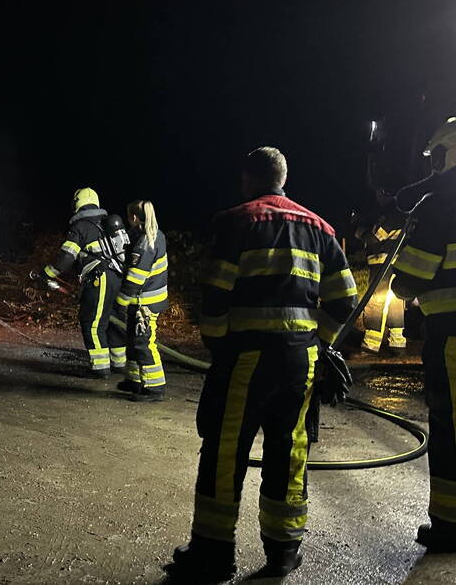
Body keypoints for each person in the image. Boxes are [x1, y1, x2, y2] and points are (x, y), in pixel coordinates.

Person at [171, 147, 357, 580]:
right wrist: (320, 343)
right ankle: (283, 552)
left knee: (224, 450)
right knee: (289, 450)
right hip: (300, 361)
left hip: (246, 358)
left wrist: (217, 345)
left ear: (248, 179)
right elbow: (345, 298)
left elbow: (215, 293)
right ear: (283, 179)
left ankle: (214, 555)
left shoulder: (237, 221)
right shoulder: (320, 228)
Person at [391, 116, 456, 552]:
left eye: (435, 155)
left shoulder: (438, 203)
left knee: (448, 426)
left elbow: (409, 279)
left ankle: (450, 524)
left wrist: (400, 282)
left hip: (452, 333)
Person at [42, 188, 124, 377]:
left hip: (100, 278)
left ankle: (100, 367)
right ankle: (119, 363)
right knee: (113, 321)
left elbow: (65, 259)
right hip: (118, 279)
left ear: (77, 204)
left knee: (92, 323)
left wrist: (47, 273)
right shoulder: (106, 224)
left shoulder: (81, 227)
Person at [113, 200, 169, 402]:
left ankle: (155, 387)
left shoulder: (146, 242)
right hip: (143, 300)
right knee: (133, 340)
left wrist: (120, 301)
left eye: (129, 217)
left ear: (134, 217)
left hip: (145, 303)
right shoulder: (151, 236)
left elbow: (135, 278)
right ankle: (135, 380)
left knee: (143, 342)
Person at [357, 201, 406, 352]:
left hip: (383, 262)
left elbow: (373, 238)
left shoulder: (391, 215)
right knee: (395, 301)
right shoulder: (400, 212)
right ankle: (397, 342)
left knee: (376, 300)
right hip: (394, 263)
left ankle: (371, 343)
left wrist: (359, 230)